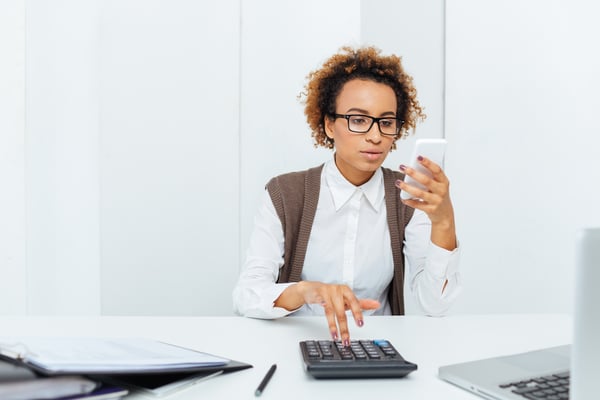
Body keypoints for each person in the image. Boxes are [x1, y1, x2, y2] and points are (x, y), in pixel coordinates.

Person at [232, 46, 461, 346]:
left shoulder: (406, 196)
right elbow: (246, 294)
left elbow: (435, 305)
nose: (376, 136)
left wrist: (443, 222)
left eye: (387, 122)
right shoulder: (284, 194)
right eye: (358, 119)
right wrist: (303, 291)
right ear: (329, 124)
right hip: (297, 346)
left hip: (379, 348)